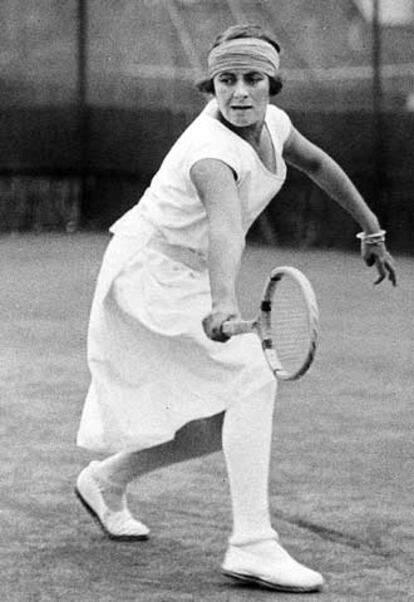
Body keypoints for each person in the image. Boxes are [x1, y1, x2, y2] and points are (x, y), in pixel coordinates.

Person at [75, 24, 396, 594]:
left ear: (273, 83)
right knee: (253, 376)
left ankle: (107, 479)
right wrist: (224, 302)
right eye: (226, 80)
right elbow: (226, 228)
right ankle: (252, 544)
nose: (240, 93)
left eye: (253, 79)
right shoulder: (210, 153)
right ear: (211, 86)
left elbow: (319, 166)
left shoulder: (275, 124)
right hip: (149, 273)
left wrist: (371, 227)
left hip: (188, 272)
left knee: (220, 417)